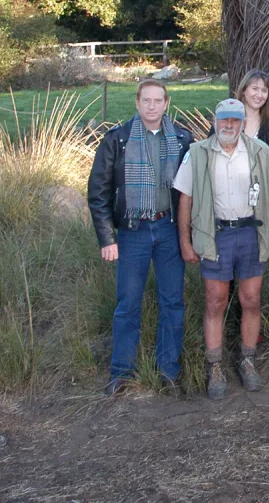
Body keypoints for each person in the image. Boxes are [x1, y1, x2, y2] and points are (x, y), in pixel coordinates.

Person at [88, 79, 195, 396]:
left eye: (157, 100)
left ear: (166, 103)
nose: (151, 106)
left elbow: (191, 191)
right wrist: (107, 238)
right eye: (146, 100)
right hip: (132, 231)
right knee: (128, 303)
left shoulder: (181, 139)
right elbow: (99, 193)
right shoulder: (117, 140)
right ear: (137, 103)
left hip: (168, 229)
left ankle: (168, 372)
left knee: (172, 301)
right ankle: (121, 372)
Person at [174, 98, 269, 398]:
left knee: (251, 299)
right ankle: (215, 366)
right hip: (216, 234)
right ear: (215, 121)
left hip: (251, 232)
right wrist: (185, 241)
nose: (229, 125)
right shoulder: (197, 154)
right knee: (215, 301)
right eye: (224, 120)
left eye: (235, 121)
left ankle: (248, 361)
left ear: (242, 123)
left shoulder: (260, 152)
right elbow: (185, 199)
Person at [233, 69, 269, 168]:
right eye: (255, 88)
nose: (259, 95)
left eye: (264, 91)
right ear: (244, 90)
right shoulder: (226, 122)